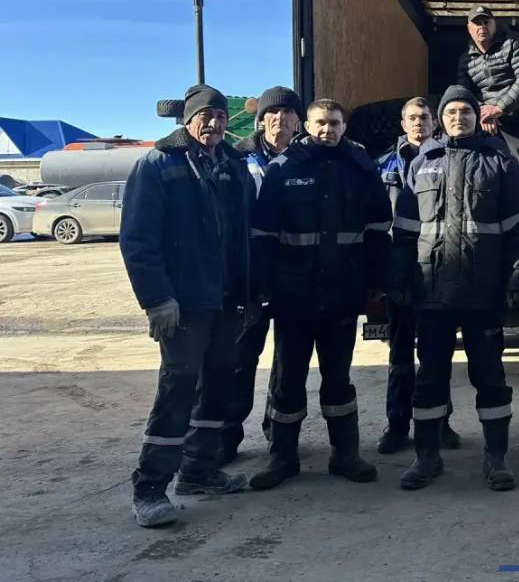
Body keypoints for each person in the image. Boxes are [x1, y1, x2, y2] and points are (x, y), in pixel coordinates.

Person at [390, 86, 519, 491]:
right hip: (432, 291)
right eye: (451, 111)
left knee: (490, 376)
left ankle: (496, 459)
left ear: (477, 117)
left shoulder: (500, 162)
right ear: (441, 118)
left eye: (466, 111)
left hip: (482, 291)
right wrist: (398, 278)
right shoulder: (422, 163)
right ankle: (426, 457)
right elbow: (405, 230)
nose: (459, 117)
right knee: (429, 378)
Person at [120, 84, 252, 527]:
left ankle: (199, 470)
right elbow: (138, 240)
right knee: (178, 388)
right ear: (188, 120)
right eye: (204, 116)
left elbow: (244, 236)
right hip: (185, 304)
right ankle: (150, 487)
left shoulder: (233, 165)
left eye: (220, 115)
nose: (213, 123)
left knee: (218, 385)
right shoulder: (158, 165)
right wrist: (157, 299)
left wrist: (250, 293)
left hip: (227, 300)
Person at [247, 99, 390, 490]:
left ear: (344, 127)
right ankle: (282, 457)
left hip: (342, 293)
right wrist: (262, 286)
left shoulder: (361, 168)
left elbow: (379, 229)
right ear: (306, 126)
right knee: (288, 379)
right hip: (293, 296)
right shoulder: (284, 168)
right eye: (321, 123)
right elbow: (262, 233)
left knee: (338, 378)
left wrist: (377, 282)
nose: (327, 130)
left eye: (335, 123)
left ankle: (346, 455)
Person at [220, 86, 305, 464]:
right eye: (273, 113)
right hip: (248, 280)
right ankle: (226, 437)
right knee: (239, 361)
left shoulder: (307, 160)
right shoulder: (237, 160)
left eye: (289, 114)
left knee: (288, 364)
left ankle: (279, 434)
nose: (280, 120)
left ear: (298, 123)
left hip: (293, 278)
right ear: (261, 120)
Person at [375, 97, 461, 454]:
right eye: (411, 117)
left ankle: (440, 424)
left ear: (433, 122)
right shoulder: (383, 165)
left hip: (434, 270)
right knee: (399, 355)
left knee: (435, 352)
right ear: (402, 123)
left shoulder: (448, 159)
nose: (418, 123)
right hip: (398, 269)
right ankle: (396, 426)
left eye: (424, 117)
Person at [457, 4, 519, 146]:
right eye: (477, 23)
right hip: (491, 121)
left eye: (486, 22)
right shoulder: (466, 60)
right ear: (469, 28)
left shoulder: (513, 42)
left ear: (494, 24)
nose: (482, 26)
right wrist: (484, 113)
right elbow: (464, 92)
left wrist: (499, 109)